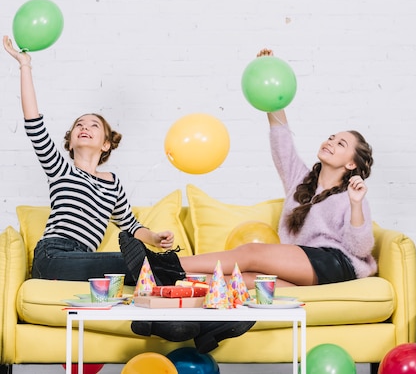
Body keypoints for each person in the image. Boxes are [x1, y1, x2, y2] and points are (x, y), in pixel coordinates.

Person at [3, 35, 253, 352]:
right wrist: (25, 65)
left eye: (93, 125)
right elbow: (33, 122)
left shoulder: (113, 182)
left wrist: (154, 237)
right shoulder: (60, 169)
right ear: (70, 142)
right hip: (53, 257)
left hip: (86, 260)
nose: (84, 128)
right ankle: (180, 311)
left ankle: (194, 324)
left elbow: (131, 226)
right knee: (138, 261)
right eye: (79, 125)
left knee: (148, 261)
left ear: (106, 143)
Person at [119, 48, 377, 296]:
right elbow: (281, 139)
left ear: (352, 164)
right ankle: (161, 279)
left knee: (253, 253)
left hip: (334, 264)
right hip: (303, 268)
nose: (330, 142)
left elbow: (360, 247)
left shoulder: (351, 196)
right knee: (240, 281)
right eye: (331, 137)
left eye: (340, 144)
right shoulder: (301, 180)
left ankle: (163, 264)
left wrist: (355, 205)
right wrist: (269, 78)